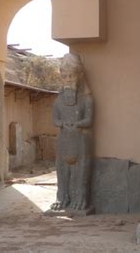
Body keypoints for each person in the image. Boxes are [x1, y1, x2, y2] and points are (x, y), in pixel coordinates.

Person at [51, 53, 94, 212]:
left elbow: (89, 120)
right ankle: (61, 198)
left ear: (79, 75)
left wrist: (76, 124)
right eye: (65, 76)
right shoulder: (58, 101)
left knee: (81, 172)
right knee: (62, 172)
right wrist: (62, 123)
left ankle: (80, 198)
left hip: (80, 140)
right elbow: (55, 120)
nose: (68, 79)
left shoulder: (86, 99)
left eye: (71, 76)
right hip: (64, 140)